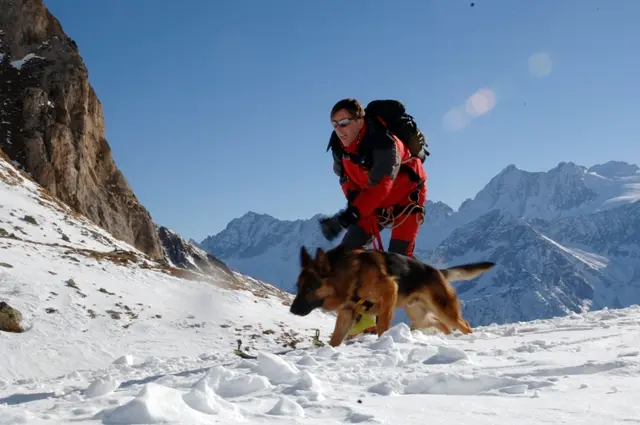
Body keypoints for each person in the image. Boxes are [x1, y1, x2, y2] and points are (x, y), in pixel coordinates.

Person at [318, 98, 428, 336]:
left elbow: (382, 185)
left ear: (360, 120)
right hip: (372, 204)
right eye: (334, 124)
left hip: (406, 197)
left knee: (399, 262)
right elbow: (349, 184)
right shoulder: (339, 149)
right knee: (348, 256)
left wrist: (348, 216)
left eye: (344, 122)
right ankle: (362, 319)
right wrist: (354, 210)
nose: (339, 129)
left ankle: (426, 316)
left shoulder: (384, 142)